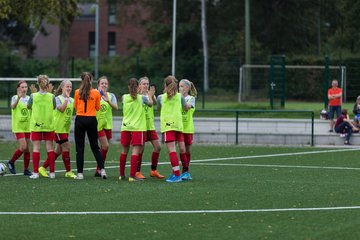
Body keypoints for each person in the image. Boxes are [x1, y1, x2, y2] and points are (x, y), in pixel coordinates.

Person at [38, 80, 77, 178]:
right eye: (67, 86)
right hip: (58, 128)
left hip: (65, 128)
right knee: (67, 147)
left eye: (70, 87)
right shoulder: (57, 99)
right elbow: (62, 109)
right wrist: (67, 99)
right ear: (62, 87)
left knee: (58, 151)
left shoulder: (72, 100)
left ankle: (42, 168)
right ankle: (68, 171)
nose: (69, 88)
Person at [119, 78, 153, 182]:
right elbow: (151, 104)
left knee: (124, 150)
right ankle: (132, 176)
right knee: (135, 151)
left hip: (125, 127)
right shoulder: (142, 98)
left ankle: (121, 175)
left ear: (128, 87)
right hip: (137, 128)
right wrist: (150, 95)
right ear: (138, 87)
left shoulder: (124, 97)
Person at [74, 72, 107, 180]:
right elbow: (98, 107)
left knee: (80, 148)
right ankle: (102, 170)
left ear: (81, 80)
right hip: (92, 120)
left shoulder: (77, 92)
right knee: (95, 147)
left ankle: (80, 173)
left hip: (80, 120)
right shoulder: (96, 93)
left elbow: (75, 107)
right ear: (91, 80)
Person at [157, 75, 189, 183]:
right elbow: (186, 107)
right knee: (182, 149)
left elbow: (158, 108)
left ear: (165, 85)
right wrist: (189, 105)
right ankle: (185, 172)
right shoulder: (180, 97)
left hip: (168, 126)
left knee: (172, 151)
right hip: (178, 126)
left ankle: (176, 175)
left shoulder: (161, 97)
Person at [27, 75, 57, 179]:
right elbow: (54, 106)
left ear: (38, 83)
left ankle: (35, 173)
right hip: (48, 125)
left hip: (36, 125)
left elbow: (28, 106)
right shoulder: (51, 96)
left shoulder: (33, 96)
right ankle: (52, 173)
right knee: (50, 148)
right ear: (47, 84)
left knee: (36, 148)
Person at [136, 77, 164, 179]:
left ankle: (153, 170)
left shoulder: (150, 95)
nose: (146, 85)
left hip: (150, 126)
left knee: (158, 147)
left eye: (147, 84)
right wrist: (150, 97)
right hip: (141, 126)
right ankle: (137, 171)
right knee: (140, 150)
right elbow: (150, 104)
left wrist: (151, 95)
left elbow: (155, 104)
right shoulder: (137, 96)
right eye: (143, 84)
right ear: (139, 85)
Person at [94, 76, 118, 177]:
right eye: (102, 83)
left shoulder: (111, 95)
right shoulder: (95, 94)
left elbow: (116, 107)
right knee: (105, 146)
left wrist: (108, 101)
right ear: (98, 85)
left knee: (105, 148)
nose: (104, 85)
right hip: (98, 124)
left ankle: (98, 169)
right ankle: (100, 168)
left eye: (106, 83)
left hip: (108, 124)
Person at [7, 80, 32, 176]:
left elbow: (32, 108)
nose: (24, 89)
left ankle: (26, 170)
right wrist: (18, 97)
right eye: (22, 87)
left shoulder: (30, 98)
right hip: (18, 126)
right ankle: (11, 161)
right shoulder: (15, 97)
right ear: (18, 88)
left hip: (27, 126)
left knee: (27, 149)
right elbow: (13, 107)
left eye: (25, 87)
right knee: (23, 147)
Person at [179, 79, 197, 180]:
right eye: (179, 86)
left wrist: (180, 98)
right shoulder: (177, 98)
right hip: (179, 128)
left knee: (188, 151)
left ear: (187, 88)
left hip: (188, 128)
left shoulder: (191, 98)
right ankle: (184, 170)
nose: (179, 88)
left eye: (182, 86)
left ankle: (186, 171)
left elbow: (186, 108)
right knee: (182, 149)